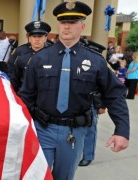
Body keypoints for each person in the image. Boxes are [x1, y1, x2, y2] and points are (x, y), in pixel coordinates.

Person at [19, 1, 130, 179]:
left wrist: (122, 131)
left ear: (82, 26)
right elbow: (26, 96)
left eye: (72, 22)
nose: (67, 27)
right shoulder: (40, 59)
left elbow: (115, 94)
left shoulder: (96, 61)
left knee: (64, 176)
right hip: (43, 129)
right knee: (37, 175)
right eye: (63, 22)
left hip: (74, 133)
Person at [78, 40, 107, 167]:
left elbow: (106, 88)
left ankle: (88, 155)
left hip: (92, 102)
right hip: (78, 100)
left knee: (90, 129)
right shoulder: (80, 63)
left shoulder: (102, 66)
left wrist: (102, 105)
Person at [10, 21, 51, 93]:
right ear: (29, 37)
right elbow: (13, 77)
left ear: (46, 38)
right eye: (34, 36)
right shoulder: (21, 52)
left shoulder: (52, 53)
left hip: (45, 95)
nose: (37, 39)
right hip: (24, 94)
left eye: (40, 36)